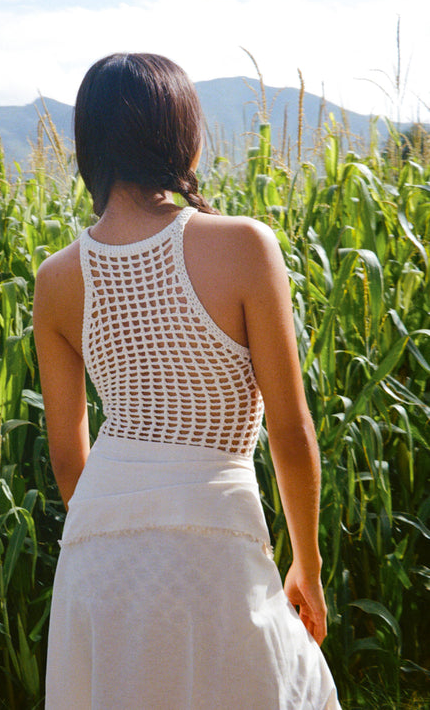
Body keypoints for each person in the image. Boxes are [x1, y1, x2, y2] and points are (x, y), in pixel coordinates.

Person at [33, 52, 341, 709]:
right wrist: (307, 566)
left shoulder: (55, 279)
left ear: (89, 146)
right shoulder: (244, 245)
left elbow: (66, 456)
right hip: (214, 530)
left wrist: (123, 542)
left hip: (97, 542)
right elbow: (290, 432)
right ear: (184, 137)